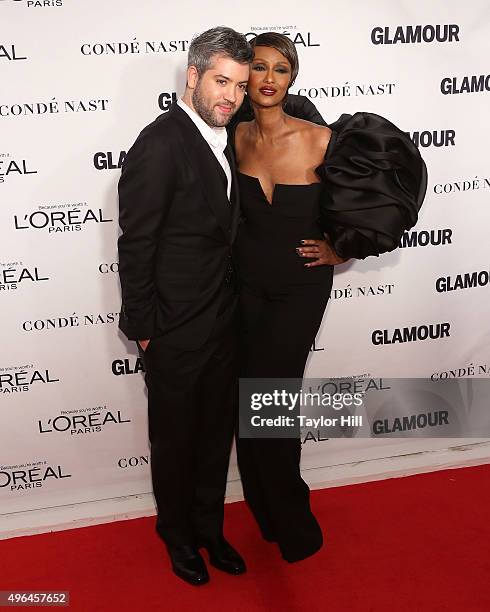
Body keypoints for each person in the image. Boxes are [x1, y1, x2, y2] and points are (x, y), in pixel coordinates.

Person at [232, 32, 427, 563]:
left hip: (298, 289)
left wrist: (344, 249)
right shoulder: (233, 137)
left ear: (292, 78)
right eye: (259, 66)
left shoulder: (323, 140)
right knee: (247, 401)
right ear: (244, 74)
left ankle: (294, 526)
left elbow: (388, 195)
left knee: (270, 402)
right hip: (243, 287)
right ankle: (267, 516)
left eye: (281, 69)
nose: (269, 78)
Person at [117, 26, 253, 586]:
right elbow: (137, 243)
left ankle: (209, 529)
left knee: (215, 433)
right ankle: (177, 539)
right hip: (173, 329)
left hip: (222, 322)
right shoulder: (160, 144)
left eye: (240, 86)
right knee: (175, 441)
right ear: (192, 77)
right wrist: (147, 329)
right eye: (221, 81)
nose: (231, 95)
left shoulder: (230, 133)